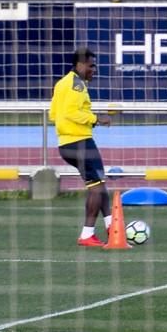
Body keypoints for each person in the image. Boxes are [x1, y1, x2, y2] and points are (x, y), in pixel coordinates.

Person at [50, 47, 113, 247]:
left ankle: (113, 226)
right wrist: (96, 119)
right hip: (79, 142)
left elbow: (53, 113)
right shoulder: (76, 85)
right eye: (91, 65)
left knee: (99, 184)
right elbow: (70, 112)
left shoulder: (62, 83)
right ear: (79, 65)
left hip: (66, 142)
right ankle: (87, 234)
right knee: (96, 187)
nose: (93, 69)